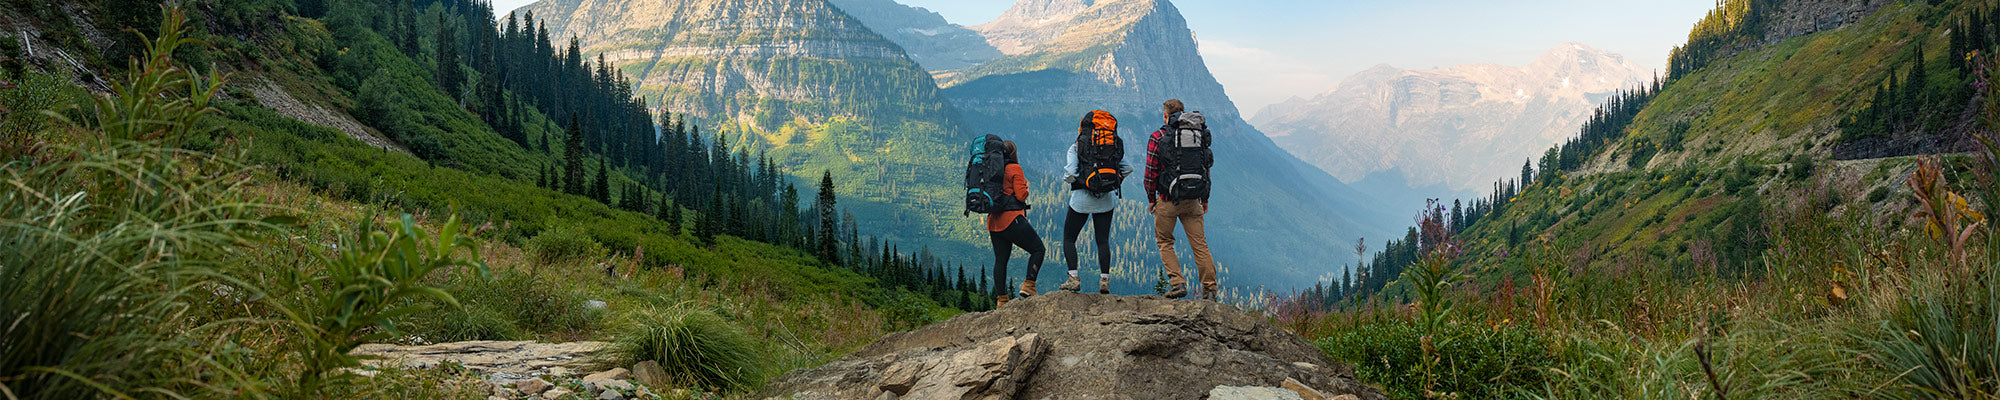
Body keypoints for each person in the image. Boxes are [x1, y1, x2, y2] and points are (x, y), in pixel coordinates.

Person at [1146, 99, 1216, 300]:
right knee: (1199, 244)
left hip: (1167, 199)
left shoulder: (1158, 137)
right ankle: (1210, 288)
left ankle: (1177, 283)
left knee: (1165, 241)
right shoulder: (1197, 135)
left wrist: (1151, 198)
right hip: (1194, 198)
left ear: (1166, 115)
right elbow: (1205, 168)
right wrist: (1205, 198)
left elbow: (1150, 171)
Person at [1062, 113, 1131, 294]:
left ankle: (1073, 279)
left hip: (1080, 200)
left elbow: (1070, 173)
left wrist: (1073, 180)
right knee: (1102, 241)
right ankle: (1104, 281)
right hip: (1105, 200)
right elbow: (1128, 168)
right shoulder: (1112, 146)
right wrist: (1116, 180)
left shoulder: (1077, 146)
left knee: (1069, 238)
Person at [988, 140, 1045, 306]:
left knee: (1000, 260)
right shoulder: (1014, 168)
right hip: (1012, 219)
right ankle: (1029, 285)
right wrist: (1026, 186)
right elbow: (1021, 196)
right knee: (1038, 249)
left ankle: (1002, 300)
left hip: (994, 222)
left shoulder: (991, 169)